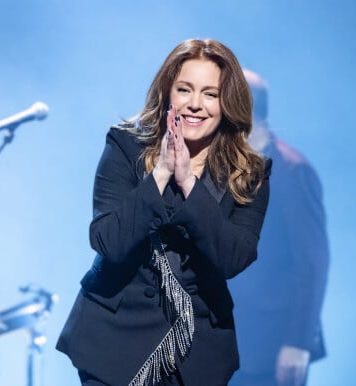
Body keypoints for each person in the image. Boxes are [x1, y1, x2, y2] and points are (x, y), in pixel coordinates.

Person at [56, 39, 271, 386]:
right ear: (168, 92)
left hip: (196, 353)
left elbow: (233, 258)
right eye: (185, 89)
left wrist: (189, 184)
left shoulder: (248, 172)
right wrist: (161, 175)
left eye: (210, 94)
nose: (195, 105)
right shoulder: (125, 146)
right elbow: (108, 241)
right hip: (114, 340)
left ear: (227, 102)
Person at [228, 69, 330, 386]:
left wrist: (298, 343)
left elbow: (312, 263)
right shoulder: (224, 164)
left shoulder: (292, 170)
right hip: (226, 338)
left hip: (270, 344)